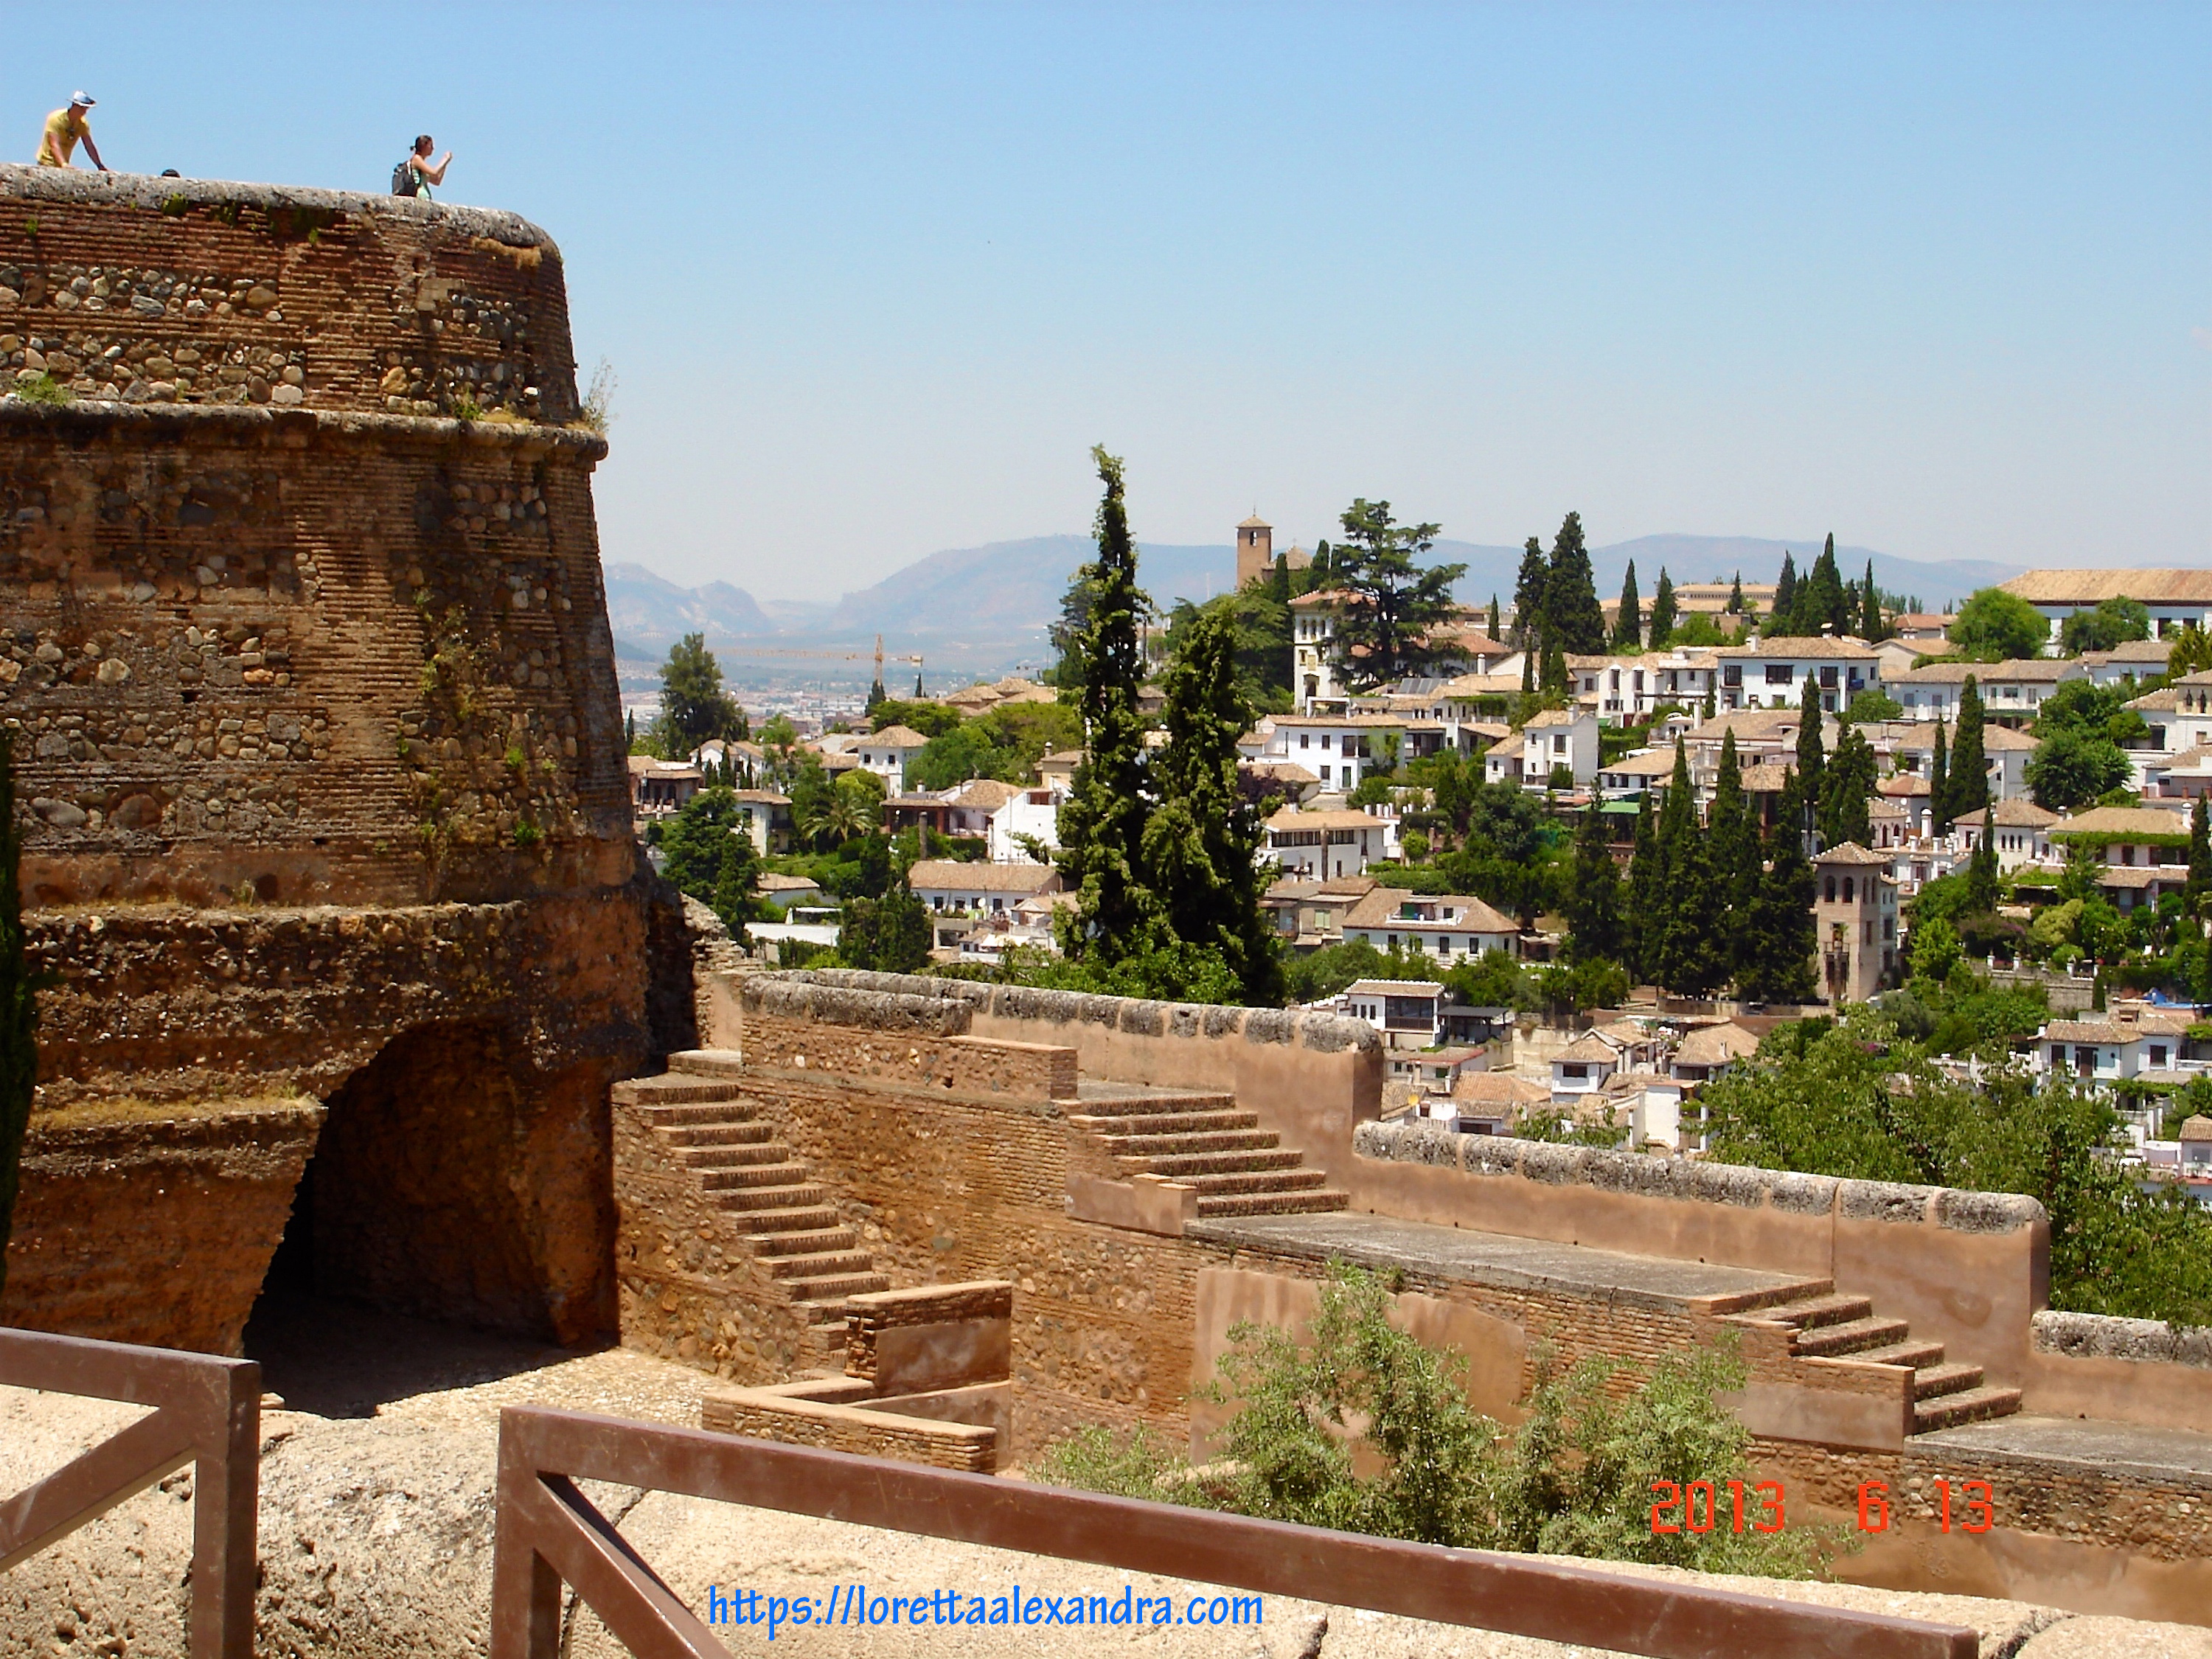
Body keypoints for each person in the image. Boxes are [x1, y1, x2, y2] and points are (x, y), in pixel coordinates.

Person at [35, 92, 106, 171]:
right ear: (75, 106)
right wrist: (63, 164)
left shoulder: (82, 124)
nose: (84, 112)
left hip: (63, 166)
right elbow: (54, 144)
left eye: (86, 109)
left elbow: (89, 145)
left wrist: (100, 166)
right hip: (46, 164)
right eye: (82, 108)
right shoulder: (56, 119)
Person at [394, 134, 451, 198]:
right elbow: (434, 172)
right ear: (424, 146)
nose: (433, 148)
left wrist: (446, 164)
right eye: (431, 146)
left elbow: (437, 181)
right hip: (419, 196)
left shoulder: (421, 163)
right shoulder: (416, 159)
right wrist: (444, 159)